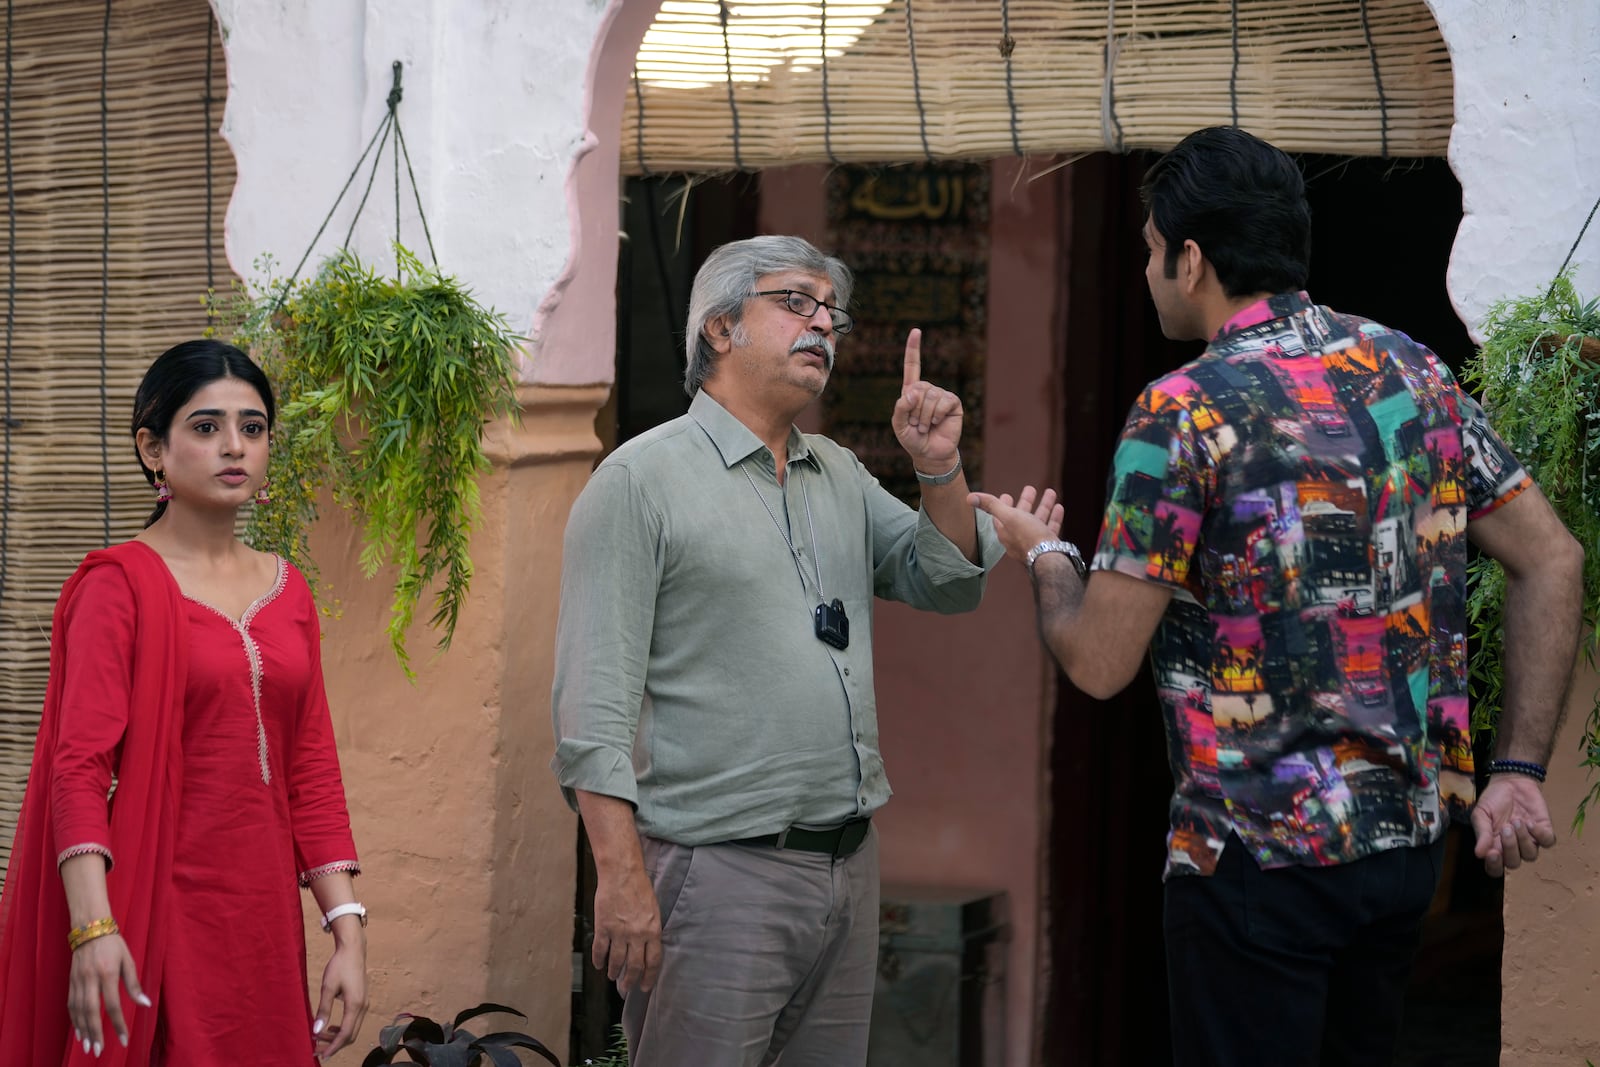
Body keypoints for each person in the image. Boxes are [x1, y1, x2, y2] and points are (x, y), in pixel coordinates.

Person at [971, 127, 1584, 1067]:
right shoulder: (1410, 372)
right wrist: (1520, 770)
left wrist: (1049, 555)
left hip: (1257, 859)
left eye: (1148, 249)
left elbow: (1098, 662)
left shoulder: (1182, 412)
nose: (1146, 270)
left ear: (1191, 259)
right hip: (1401, 852)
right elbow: (1553, 557)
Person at [551, 234, 1005, 1066]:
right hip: (717, 872)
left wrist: (937, 469)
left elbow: (945, 581)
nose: (823, 324)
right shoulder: (637, 481)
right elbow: (592, 706)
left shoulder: (835, 470)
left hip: (848, 864)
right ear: (720, 328)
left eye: (831, 310)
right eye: (795, 301)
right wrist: (619, 877)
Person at [0, 340, 369, 1065]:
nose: (234, 445)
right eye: (205, 427)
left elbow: (311, 770)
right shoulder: (119, 586)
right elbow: (78, 768)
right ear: (153, 448)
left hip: (258, 925)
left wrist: (347, 932)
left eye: (253, 427)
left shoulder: (288, 591)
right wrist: (94, 931)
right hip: (150, 914)